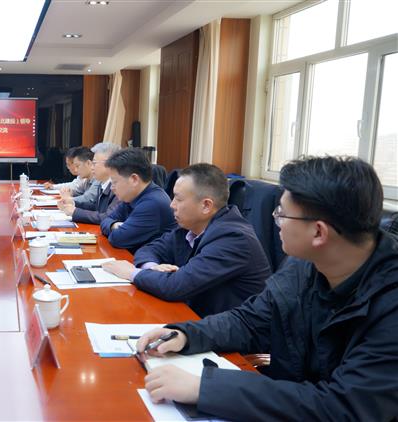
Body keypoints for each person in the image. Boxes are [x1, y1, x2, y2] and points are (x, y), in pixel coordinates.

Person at [137, 156, 398, 420]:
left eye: (281, 214)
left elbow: (343, 407)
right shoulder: (304, 265)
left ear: (319, 232)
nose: (276, 221)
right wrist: (187, 334)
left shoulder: (390, 305)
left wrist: (205, 388)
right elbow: (250, 321)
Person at [103, 163, 270, 316]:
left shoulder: (233, 238)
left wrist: (132, 273)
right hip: (194, 317)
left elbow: (176, 286)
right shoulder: (189, 227)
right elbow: (149, 249)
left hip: (227, 333)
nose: (171, 205)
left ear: (206, 205)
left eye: (178, 199)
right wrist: (151, 267)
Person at [100, 148, 176, 252]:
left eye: (114, 182)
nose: (112, 188)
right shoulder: (132, 196)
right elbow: (105, 220)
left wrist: (113, 227)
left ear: (134, 179)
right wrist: (113, 225)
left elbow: (118, 239)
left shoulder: (152, 203)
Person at [58, 142, 121, 224]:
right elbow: (95, 207)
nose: (91, 167)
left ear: (109, 164)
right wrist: (72, 203)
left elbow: (107, 217)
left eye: (94, 163)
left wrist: (75, 212)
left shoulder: (119, 187)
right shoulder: (103, 184)